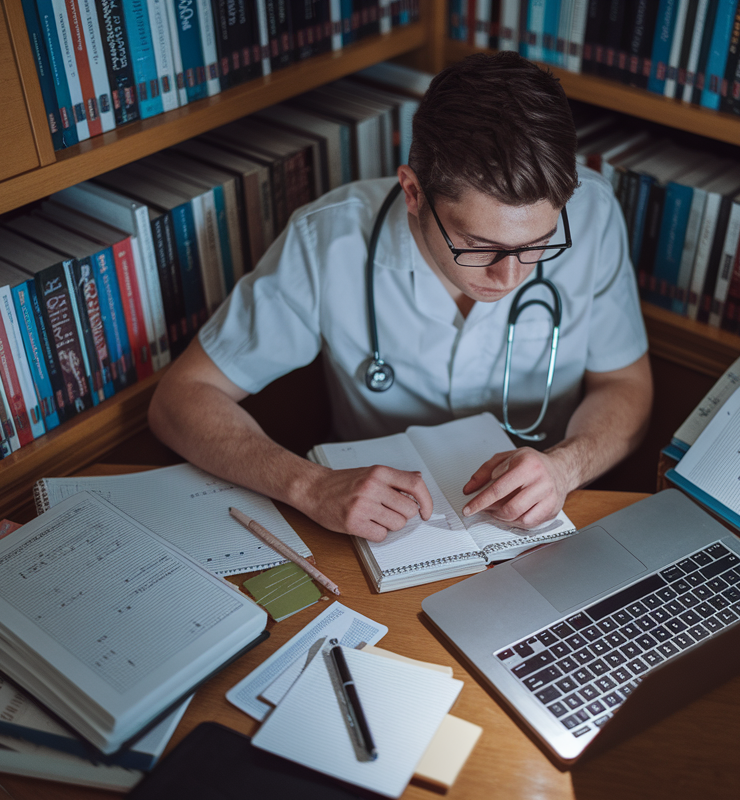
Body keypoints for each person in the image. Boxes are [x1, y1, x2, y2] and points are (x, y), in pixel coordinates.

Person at [148, 52, 653, 542]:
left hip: (539, 527)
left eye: (537, 244)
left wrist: (566, 467)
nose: (510, 275)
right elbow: (180, 399)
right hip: (382, 534)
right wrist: (309, 485)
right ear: (413, 193)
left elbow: (625, 384)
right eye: (478, 245)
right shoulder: (328, 240)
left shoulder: (593, 214)